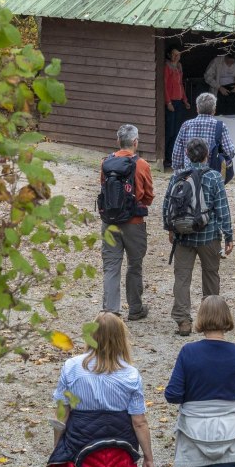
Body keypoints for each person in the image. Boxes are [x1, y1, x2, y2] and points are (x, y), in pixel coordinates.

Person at [47, 312, 155, 467]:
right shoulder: (131, 374)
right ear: (121, 338)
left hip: (81, 445)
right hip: (118, 447)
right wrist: (148, 458)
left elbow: (62, 413)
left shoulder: (72, 368)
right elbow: (139, 422)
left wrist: (58, 449)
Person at [164, 296, 235, 467]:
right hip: (229, 433)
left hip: (193, 434)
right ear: (227, 318)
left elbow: (172, 394)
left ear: (201, 318)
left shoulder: (188, 352)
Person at [163, 138, 233, 336]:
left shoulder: (177, 176)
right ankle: (211, 319)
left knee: (182, 277)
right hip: (208, 236)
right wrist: (228, 236)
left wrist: (170, 228)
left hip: (182, 236)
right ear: (206, 155)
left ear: (186, 154)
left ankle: (183, 321)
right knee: (211, 275)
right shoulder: (214, 177)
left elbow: (167, 204)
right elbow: (222, 209)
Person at [98, 124, 154, 320]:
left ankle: (111, 312)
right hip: (134, 222)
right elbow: (148, 196)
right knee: (134, 265)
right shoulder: (142, 165)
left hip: (110, 222)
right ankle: (135, 308)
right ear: (135, 142)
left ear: (117, 141)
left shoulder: (106, 163)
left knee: (111, 266)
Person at [172, 92, 235, 172]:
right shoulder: (221, 126)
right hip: (212, 173)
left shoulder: (186, 125)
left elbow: (177, 153)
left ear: (197, 109)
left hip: (189, 173)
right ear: (214, 110)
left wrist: (178, 170)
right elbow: (229, 152)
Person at [164, 44, 191, 167]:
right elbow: (164, 85)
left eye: (178, 54)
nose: (176, 56)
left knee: (177, 131)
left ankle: (173, 157)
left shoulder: (179, 67)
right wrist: (168, 102)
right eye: (174, 54)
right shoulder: (167, 67)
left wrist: (185, 100)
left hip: (179, 101)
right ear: (169, 55)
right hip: (171, 102)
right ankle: (167, 157)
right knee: (170, 131)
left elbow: (180, 85)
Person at [204, 49, 235, 115]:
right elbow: (207, 76)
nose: (231, 63)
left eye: (233, 62)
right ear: (226, 57)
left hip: (233, 91)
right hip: (219, 90)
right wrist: (219, 87)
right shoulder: (217, 61)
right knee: (218, 113)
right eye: (229, 61)